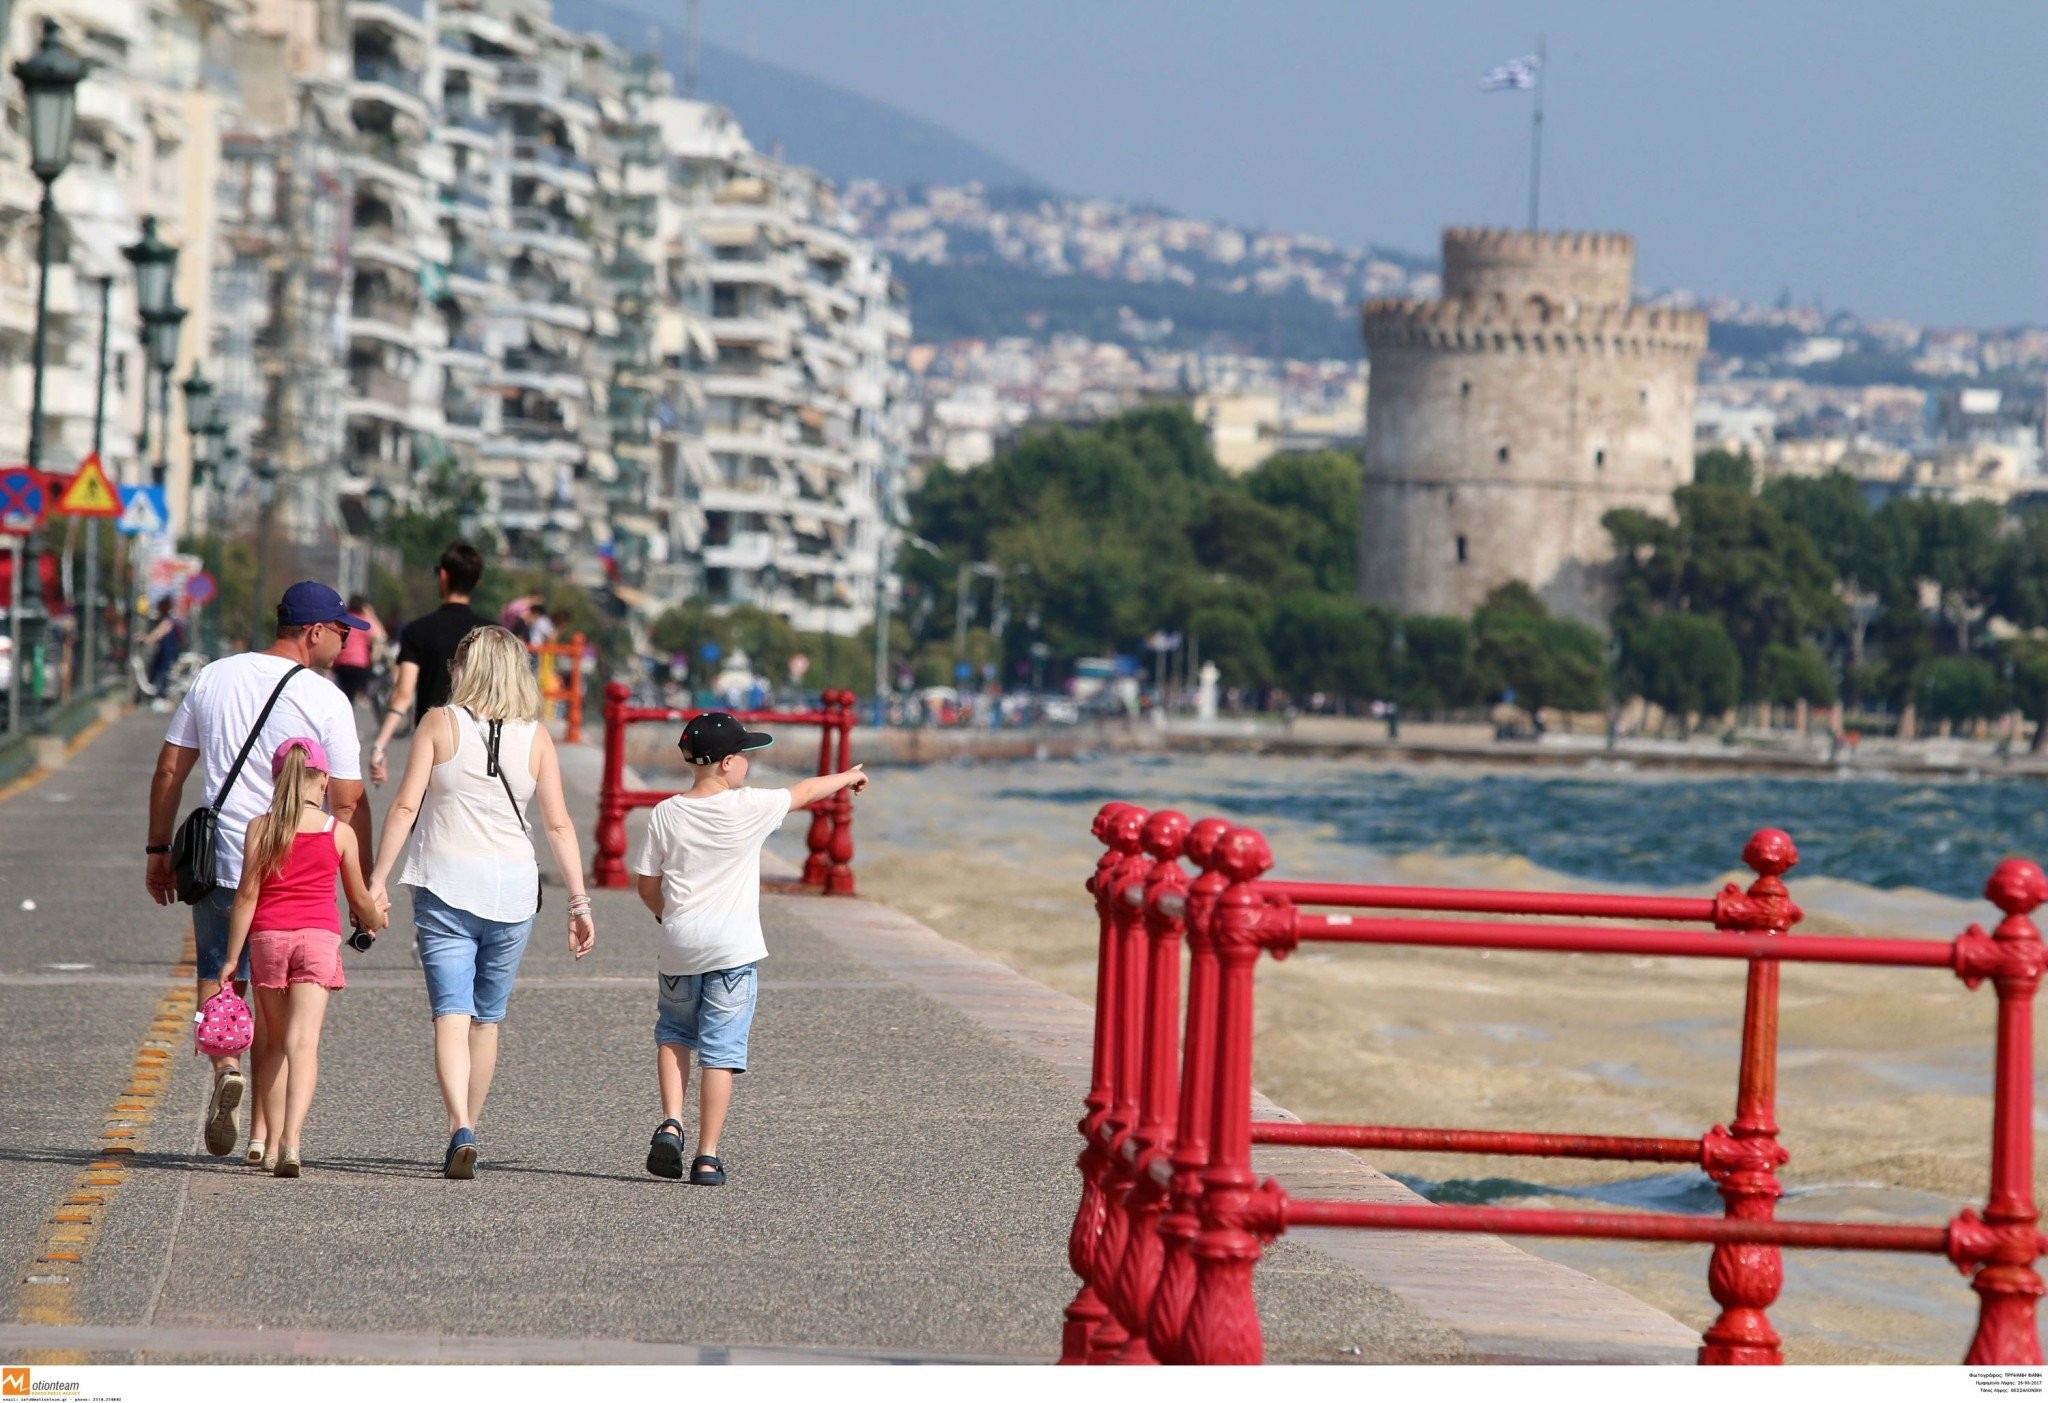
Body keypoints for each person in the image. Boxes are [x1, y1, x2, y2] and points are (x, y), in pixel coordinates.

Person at [146, 582, 371, 1161]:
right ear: (314, 632)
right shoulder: (326, 701)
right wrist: (354, 879)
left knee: (219, 973)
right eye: (342, 631)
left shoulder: (214, 676)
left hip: (222, 857)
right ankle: (268, 1139)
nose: (346, 643)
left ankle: (225, 1064)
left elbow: (172, 766)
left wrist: (158, 848)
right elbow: (346, 799)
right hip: (294, 871)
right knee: (280, 1016)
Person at [367, 625, 597, 1178]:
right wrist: (579, 901)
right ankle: (472, 1123)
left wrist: (375, 882)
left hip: (446, 888)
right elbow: (559, 824)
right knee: (487, 1020)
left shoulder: (439, 724)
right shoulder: (536, 737)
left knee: (451, 1013)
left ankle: (459, 1127)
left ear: (466, 669)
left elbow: (403, 808)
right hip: (513, 895)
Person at [631, 712, 868, 1185]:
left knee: (675, 1032)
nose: (748, 764)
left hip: (680, 946)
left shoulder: (666, 813)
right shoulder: (749, 807)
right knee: (719, 1051)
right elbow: (805, 792)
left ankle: (672, 1122)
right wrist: (849, 776)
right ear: (725, 764)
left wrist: (667, 916)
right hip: (732, 953)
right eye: (744, 756)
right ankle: (706, 1156)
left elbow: (646, 884)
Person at [216, 738, 386, 1176]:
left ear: (277, 780)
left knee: (272, 1045)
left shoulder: (261, 828)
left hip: (269, 939)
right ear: (324, 780)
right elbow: (359, 901)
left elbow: (246, 896)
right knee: (303, 1043)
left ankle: (269, 1144)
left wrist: (232, 957)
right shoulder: (338, 833)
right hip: (318, 939)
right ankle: (292, 1141)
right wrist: (376, 916)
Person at [370, 543, 488, 785]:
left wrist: (380, 745)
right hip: (479, 741)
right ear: (477, 582)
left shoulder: (417, 631)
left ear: (443, 575)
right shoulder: (490, 633)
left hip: (432, 742)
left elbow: (403, 694)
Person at [331, 595, 387, 705]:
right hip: (358, 664)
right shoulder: (364, 621)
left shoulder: (343, 619)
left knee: (342, 693)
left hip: (340, 663)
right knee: (350, 696)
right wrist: (371, 615)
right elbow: (381, 636)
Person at [141, 599, 185, 702]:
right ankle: (157, 695)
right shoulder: (170, 620)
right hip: (166, 653)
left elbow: (157, 635)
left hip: (166, 653)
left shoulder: (167, 621)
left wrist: (145, 638)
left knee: (163, 672)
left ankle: (160, 696)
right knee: (160, 671)